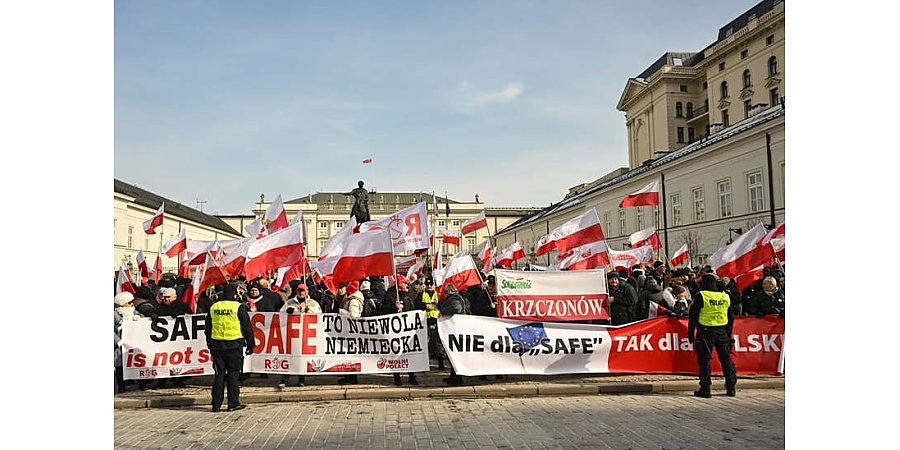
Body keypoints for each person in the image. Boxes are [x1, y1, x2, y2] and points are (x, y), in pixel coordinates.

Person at [205, 283, 256, 412]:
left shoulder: (214, 307)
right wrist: (251, 344)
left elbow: (208, 328)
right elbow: (246, 327)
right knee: (233, 375)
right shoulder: (238, 307)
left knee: (219, 375)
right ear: (234, 293)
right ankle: (233, 403)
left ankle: (216, 404)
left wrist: (209, 344)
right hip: (234, 345)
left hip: (217, 346)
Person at [687, 274, 737, 398]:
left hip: (705, 331)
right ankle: (731, 387)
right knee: (726, 359)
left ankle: (705, 389)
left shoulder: (701, 296)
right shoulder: (725, 296)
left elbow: (693, 316)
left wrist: (690, 334)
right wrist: (728, 333)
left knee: (704, 360)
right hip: (722, 331)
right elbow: (731, 316)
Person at [380, 275, 420, 386]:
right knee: (395, 354)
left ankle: (412, 376)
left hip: (407, 330)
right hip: (395, 331)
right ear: (398, 284)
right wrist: (393, 307)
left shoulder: (408, 296)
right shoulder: (389, 296)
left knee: (409, 353)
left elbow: (413, 310)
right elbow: (383, 311)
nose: (407, 285)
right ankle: (397, 377)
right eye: (405, 283)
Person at [277, 284, 318, 388]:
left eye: (303, 291)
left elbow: (319, 315)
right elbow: (280, 313)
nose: (301, 293)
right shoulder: (290, 302)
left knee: (302, 357)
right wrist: (288, 311)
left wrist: (309, 311)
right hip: (292, 333)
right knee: (289, 356)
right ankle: (285, 379)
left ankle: (301, 379)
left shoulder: (312, 303)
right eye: (299, 290)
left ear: (307, 291)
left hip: (305, 334)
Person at [437, 283, 469, 386]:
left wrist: (443, 311)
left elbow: (457, 309)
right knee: (453, 354)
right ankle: (453, 377)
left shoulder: (454, 299)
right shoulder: (455, 298)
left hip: (456, 330)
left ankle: (457, 379)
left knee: (455, 354)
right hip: (455, 329)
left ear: (448, 292)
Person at [338, 281, 364, 385]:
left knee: (351, 355)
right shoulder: (354, 298)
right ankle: (349, 376)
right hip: (351, 331)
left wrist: (343, 313)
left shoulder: (353, 301)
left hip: (351, 331)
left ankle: (351, 378)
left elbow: (353, 317)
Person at [417, 278, 444, 370]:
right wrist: (424, 306)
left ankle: (441, 364)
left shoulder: (439, 294)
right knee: (426, 342)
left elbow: (445, 305)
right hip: (425, 321)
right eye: (427, 284)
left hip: (438, 321)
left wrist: (438, 303)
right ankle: (426, 363)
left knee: (438, 343)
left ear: (434, 285)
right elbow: (416, 304)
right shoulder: (421, 294)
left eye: (431, 284)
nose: (429, 286)